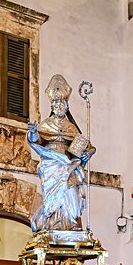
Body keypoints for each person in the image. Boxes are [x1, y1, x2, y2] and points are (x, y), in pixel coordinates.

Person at [26, 74, 96, 232]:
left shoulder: (72, 128)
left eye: (61, 103)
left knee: (71, 190)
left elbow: (87, 146)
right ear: (52, 107)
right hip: (51, 164)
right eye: (55, 104)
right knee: (52, 197)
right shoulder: (46, 125)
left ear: (67, 106)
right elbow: (36, 140)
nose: (58, 106)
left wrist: (89, 153)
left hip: (69, 164)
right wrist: (32, 133)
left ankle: (71, 222)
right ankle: (52, 224)